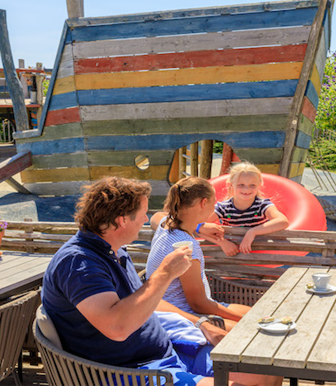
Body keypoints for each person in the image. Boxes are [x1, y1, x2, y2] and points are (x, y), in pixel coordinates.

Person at [42, 177, 280, 386]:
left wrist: (201, 325)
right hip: (131, 370)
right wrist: (164, 275)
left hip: (165, 350)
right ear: (122, 220)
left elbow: (149, 302)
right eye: (141, 214)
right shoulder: (79, 264)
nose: (146, 219)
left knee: (264, 371)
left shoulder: (114, 250)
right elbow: (117, 328)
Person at [147, 176, 252, 331]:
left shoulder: (166, 223)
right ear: (204, 203)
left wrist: (199, 227)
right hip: (184, 314)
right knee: (248, 328)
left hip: (170, 305)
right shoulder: (186, 248)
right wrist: (242, 320)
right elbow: (197, 303)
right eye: (213, 202)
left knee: (255, 313)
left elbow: (155, 217)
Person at [209, 162, 289, 256]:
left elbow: (283, 221)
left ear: (259, 185)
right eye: (241, 185)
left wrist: (252, 232)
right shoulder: (223, 208)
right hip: (232, 254)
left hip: (259, 253)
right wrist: (223, 243)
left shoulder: (262, 205)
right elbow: (197, 224)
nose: (246, 189)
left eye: (252, 185)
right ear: (231, 184)